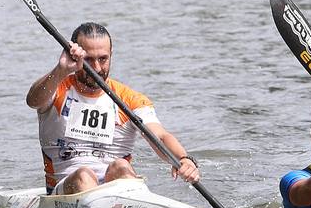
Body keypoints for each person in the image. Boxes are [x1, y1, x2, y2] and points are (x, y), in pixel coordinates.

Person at [26, 22, 200, 195]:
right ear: (75, 57)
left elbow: (160, 136)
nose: (96, 68)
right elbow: (32, 101)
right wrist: (61, 69)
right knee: (84, 176)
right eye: (88, 59)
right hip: (65, 189)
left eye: (103, 59)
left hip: (115, 191)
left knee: (121, 166)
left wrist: (183, 159)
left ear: (111, 55)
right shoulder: (56, 88)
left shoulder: (129, 99)